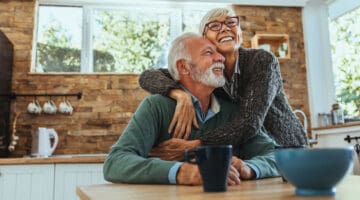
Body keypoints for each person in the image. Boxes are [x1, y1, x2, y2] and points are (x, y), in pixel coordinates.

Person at [103, 33, 279, 185]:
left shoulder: (232, 111)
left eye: (218, 53)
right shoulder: (155, 106)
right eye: (209, 53)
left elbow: (276, 155)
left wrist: (249, 168)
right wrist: (183, 172)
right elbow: (115, 162)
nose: (221, 58)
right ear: (184, 67)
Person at [139, 8, 308, 159]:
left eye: (231, 22)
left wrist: (195, 145)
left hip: (286, 150)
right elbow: (148, 76)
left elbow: (249, 123)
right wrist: (180, 95)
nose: (225, 28)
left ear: (239, 32)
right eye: (214, 26)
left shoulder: (262, 61)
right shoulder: (206, 72)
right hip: (249, 154)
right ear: (204, 39)